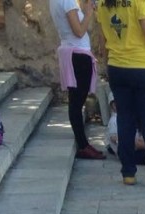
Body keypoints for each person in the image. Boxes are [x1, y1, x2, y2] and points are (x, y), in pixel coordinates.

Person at [96, 0, 145, 187]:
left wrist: (109, 65)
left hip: (117, 68)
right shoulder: (139, 2)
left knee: (125, 120)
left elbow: (102, 40)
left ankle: (128, 173)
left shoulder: (102, 4)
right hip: (143, 69)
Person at [50, 0, 103, 159]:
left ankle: (83, 144)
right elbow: (79, 31)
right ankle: (83, 145)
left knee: (76, 101)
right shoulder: (66, 1)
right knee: (77, 102)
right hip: (78, 54)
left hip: (73, 52)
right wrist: (88, 14)